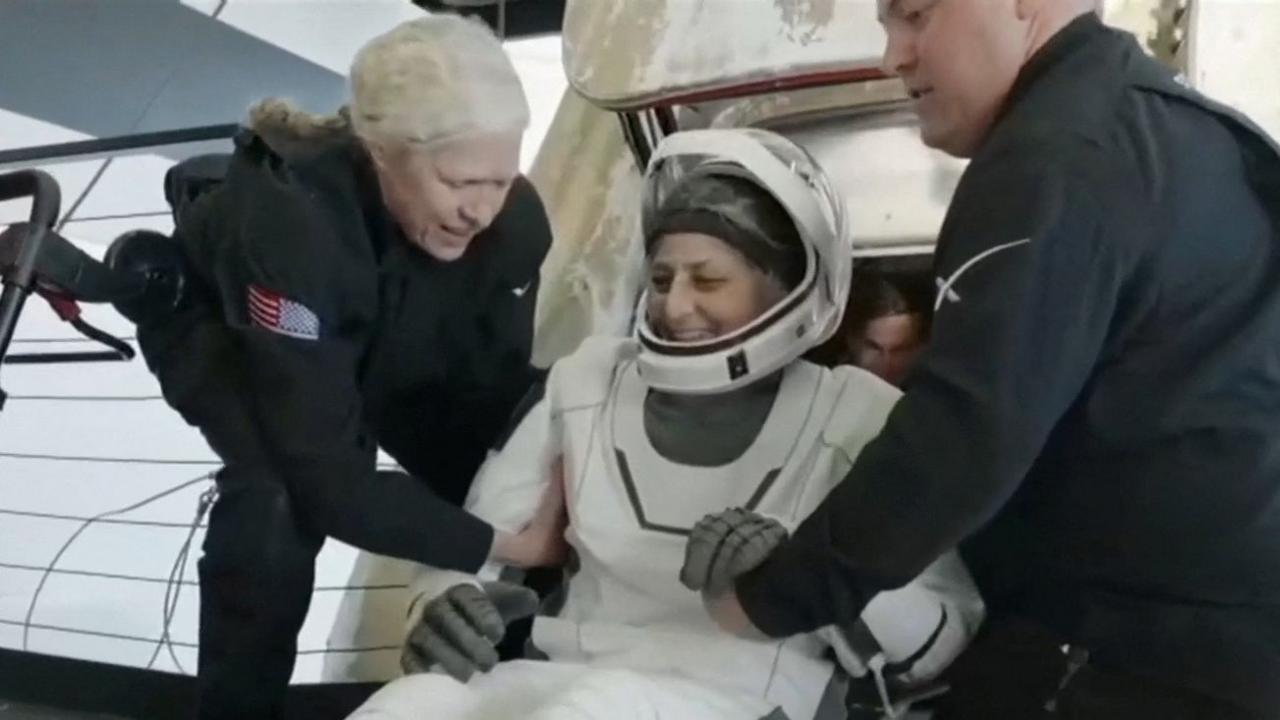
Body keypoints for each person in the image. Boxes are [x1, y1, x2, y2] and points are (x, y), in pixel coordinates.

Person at [689, 1, 1280, 718]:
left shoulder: (1053, 153)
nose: (892, 55)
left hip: (1135, 660)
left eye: (913, 15)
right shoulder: (1175, 126)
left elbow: (964, 431)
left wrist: (769, 597)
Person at [346, 128, 983, 720]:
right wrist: (440, 605)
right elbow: (479, 542)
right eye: (661, 277)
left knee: (599, 706)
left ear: (790, 288)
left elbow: (938, 639)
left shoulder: (859, 416)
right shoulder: (587, 383)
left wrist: (807, 574)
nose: (676, 305)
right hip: (566, 674)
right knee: (412, 703)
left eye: (708, 280)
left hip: (747, 695)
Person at [111, 15, 564, 720]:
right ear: (380, 153)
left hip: (373, 309)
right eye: (458, 181)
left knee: (511, 446)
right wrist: (504, 541)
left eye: (500, 179)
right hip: (220, 322)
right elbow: (325, 474)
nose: (481, 209)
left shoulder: (516, 226)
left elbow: (491, 400)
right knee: (276, 493)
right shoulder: (287, 230)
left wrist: (518, 511)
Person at [819, 270, 931, 386]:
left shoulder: (939, 395)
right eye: (874, 348)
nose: (886, 364)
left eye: (900, 350)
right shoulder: (823, 389)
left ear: (924, 346)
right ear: (852, 341)